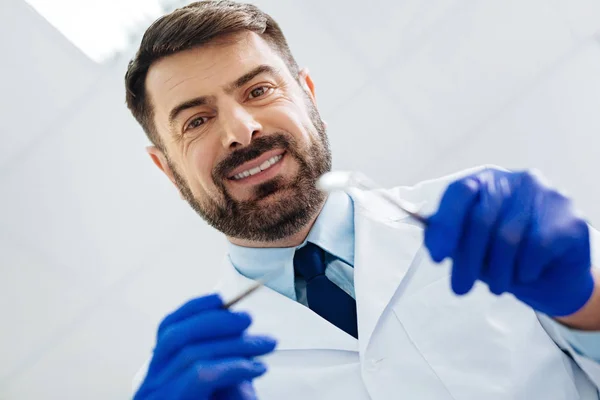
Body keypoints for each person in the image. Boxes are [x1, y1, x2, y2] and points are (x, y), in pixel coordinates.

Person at [124, 1, 600, 398]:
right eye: (196, 121)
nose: (240, 130)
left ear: (308, 97)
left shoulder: (496, 225)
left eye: (259, 90)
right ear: (167, 168)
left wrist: (589, 305)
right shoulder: (192, 377)